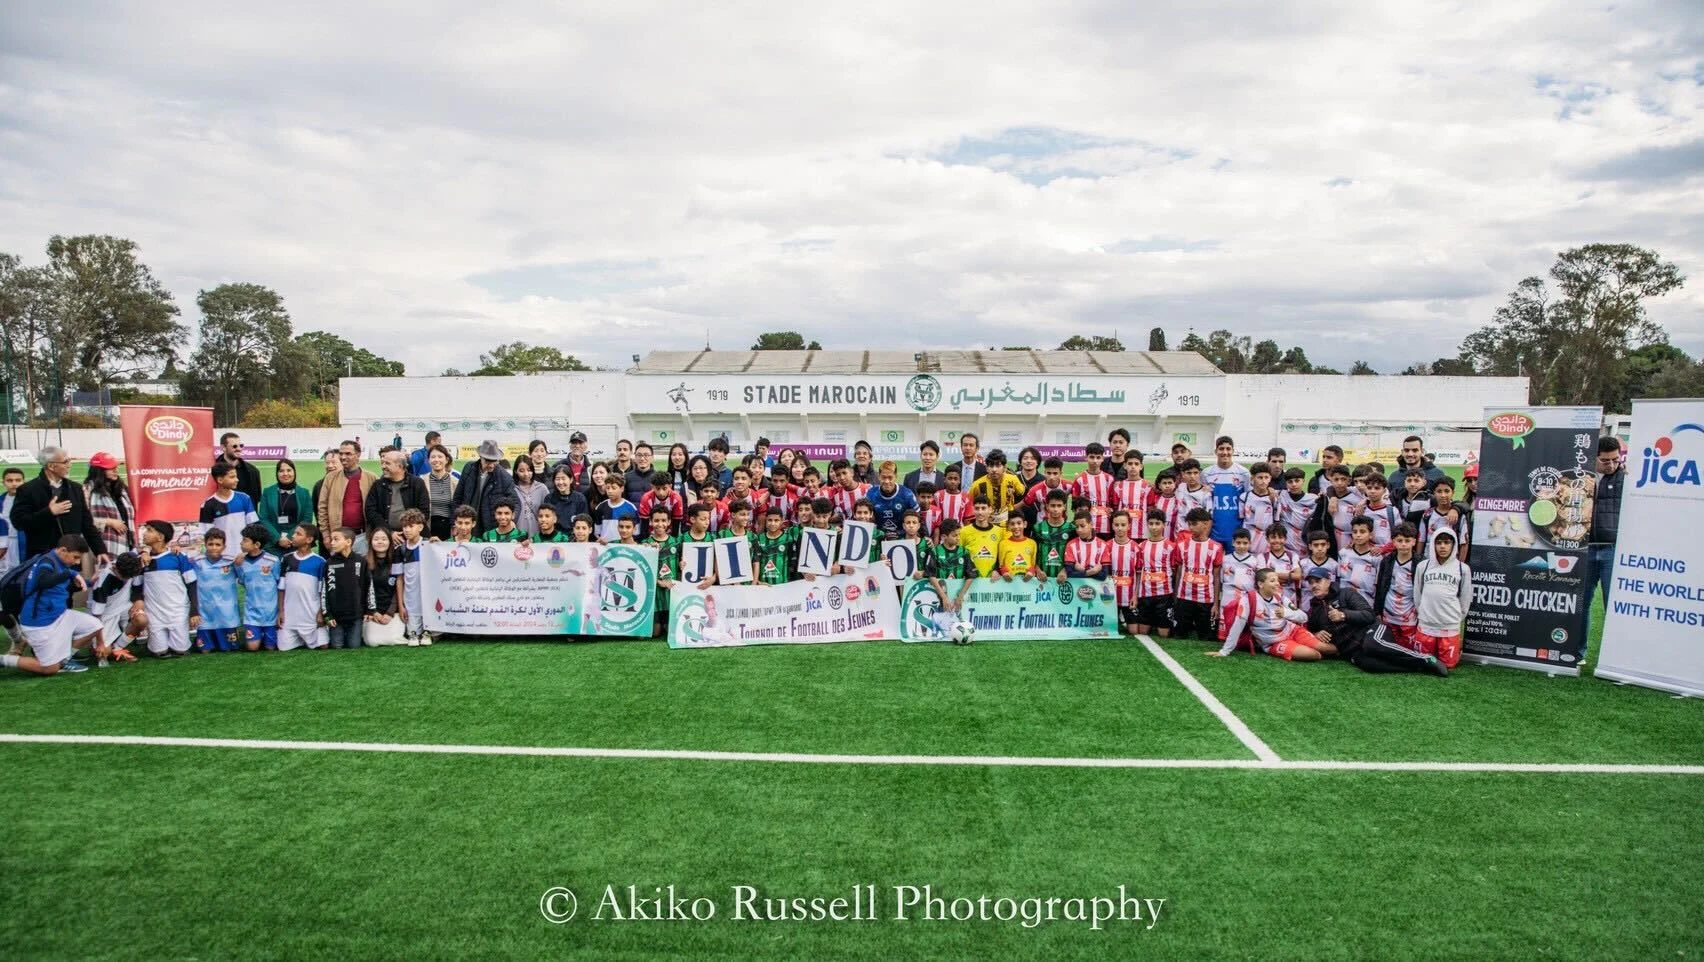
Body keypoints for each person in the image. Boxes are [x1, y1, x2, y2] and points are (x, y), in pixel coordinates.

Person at [0, 535, 103, 675]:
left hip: (59, 616)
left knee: (95, 625)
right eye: (75, 557)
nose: (77, 562)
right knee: (50, 669)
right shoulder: (46, 562)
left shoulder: (61, 563)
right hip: (39, 623)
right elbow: (43, 581)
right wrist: (70, 574)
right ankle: (3, 660)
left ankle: (65, 660)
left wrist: (89, 582)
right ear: (63, 550)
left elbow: (60, 586)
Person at [1213, 568, 1335, 661]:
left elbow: (1303, 616)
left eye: (1277, 580)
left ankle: (1349, 653)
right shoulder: (1248, 600)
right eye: (1272, 581)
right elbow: (1237, 626)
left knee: (1326, 649)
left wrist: (1286, 613)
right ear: (1261, 584)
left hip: (1293, 631)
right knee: (1314, 655)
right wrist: (1224, 651)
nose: (1277, 583)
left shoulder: (1280, 597)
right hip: (1273, 643)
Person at [10, 446, 106, 564]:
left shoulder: (75, 488)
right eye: (65, 462)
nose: (70, 465)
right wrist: (48, 512)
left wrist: (100, 550)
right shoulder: (27, 490)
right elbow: (19, 522)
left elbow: (87, 524)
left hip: (72, 558)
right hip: (43, 560)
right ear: (51, 466)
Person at [138, 519, 199, 657]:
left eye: (149, 530)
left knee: (180, 650)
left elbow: (192, 584)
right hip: (154, 613)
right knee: (160, 652)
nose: (144, 533)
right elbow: (136, 586)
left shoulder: (178, 557)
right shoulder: (141, 560)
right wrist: (143, 552)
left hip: (177, 611)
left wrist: (194, 611)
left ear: (160, 537)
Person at [1413, 528, 1471, 669]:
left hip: (1449, 624)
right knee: (1424, 662)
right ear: (1433, 545)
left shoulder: (1462, 569)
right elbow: (1417, 592)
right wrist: (1422, 612)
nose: (1443, 546)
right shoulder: (1423, 566)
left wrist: (1458, 617)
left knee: (1448, 665)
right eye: (1438, 543)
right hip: (1427, 623)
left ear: (1454, 545)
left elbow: (1465, 596)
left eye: (1446, 542)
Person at [317, 440, 378, 554]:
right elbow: (322, 508)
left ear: (358, 454)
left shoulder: (372, 478)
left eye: (348, 454)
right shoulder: (330, 478)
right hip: (338, 537)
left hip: (363, 536)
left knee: (362, 570)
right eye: (341, 453)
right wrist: (326, 535)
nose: (343, 457)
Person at [1172, 508, 1222, 641]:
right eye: (1189, 524)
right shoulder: (1181, 545)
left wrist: (1216, 604)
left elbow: (1216, 577)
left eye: (1194, 524)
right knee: (1179, 636)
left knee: (1206, 639)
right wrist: (1176, 596)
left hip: (1206, 600)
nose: (1191, 527)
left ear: (1205, 524)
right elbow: (1178, 572)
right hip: (1184, 598)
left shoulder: (1216, 547)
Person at [276, 524, 328, 651]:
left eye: (298, 534)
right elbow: (281, 588)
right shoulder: (287, 559)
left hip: (311, 614)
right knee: (283, 647)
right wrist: (281, 611)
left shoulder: (320, 562)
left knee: (323, 645)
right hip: (290, 615)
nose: (292, 536)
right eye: (294, 533)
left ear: (309, 540)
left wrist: (320, 613)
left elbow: (323, 591)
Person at [87, 550, 147, 661]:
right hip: (105, 615)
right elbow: (96, 618)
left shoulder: (131, 565)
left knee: (142, 620)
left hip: (125, 607)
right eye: (123, 577)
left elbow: (139, 551)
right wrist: (100, 643)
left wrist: (138, 600)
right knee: (104, 652)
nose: (126, 580)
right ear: (116, 568)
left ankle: (117, 648)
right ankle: (97, 646)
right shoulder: (102, 582)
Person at [1588, 435, 1624, 619]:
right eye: (1605, 460)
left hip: (1612, 549)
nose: (1611, 465)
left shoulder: (1625, 478)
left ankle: (1615, 647)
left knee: (1614, 606)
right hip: (1585, 550)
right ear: (1594, 457)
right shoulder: (1582, 475)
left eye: (1616, 460)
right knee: (1580, 606)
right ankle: (1579, 649)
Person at [453, 440, 517, 535]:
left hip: (491, 529)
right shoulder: (468, 469)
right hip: (467, 525)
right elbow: (458, 497)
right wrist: (454, 524)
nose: (491, 465)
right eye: (487, 461)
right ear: (480, 457)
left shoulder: (505, 478)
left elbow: (514, 502)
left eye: (494, 461)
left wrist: (511, 521)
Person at [322, 528, 372, 649]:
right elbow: (324, 591)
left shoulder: (361, 561)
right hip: (335, 618)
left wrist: (369, 610)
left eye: (336, 539)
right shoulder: (329, 563)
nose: (332, 542)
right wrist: (327, 615)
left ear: (348, 542)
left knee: (354, 646)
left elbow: (368, 587)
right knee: (336, 647)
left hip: (356, 616)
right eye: (331, 539)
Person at [201, 463, 259, 563]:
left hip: (244, 556)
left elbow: (253, 528)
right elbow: (206, 535)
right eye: (232, 477)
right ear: (220, 480)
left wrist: (247, 551)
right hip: (221, 559)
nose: (237, 479)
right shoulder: (208, 505)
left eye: (236, 476)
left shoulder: (245, 498)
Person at [236, 524, 281, 651]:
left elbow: (279, 584)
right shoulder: (240, 562)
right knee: (252, 647)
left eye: (245, 540)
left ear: (257, 545)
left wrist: (280, 610)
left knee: (270, 648)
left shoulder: (272, 561)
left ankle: (264, 635)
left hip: (270, 612)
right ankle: (256, 634)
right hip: (251, 612)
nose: (241, 543)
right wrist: (238, 565)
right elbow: (243, 581)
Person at [83, 451, 136, 559]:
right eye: (111, 468)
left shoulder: (122, 489)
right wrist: (109, 522)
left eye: (116, 467)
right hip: (102, 546)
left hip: (128, 542)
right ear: (99, 471)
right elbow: (82, 520)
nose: (116, 470)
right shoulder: (87, 490)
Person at [1203, 436, 1252, 549]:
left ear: (1233, 451)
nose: (1225, 452)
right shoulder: (1206, 473)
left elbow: (1250, 499)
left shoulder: (1243, 473)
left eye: (1228, 449)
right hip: (1214, 530)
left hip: (1236, 531)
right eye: (1221, 449)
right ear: (1216, 451)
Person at [259, 459, 315, 557]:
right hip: (272, 543)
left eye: (289, 470)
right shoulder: (268, 492)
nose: (285, 474)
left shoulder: (304, 493)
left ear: (294, 472)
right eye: (281, 471)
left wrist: (290, 537)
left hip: (297, 544)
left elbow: (306, 519)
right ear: (277, 473)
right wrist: (277, 539)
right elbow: (264, 518)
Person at [363, 528, 407, 647]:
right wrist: (373, 611)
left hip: (393, 610)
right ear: (371, 542)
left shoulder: (396, 561)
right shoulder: (364, 563)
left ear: (390, 542)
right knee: (372, 642)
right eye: (376, 539)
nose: (380, 542)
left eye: (384, 539)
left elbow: (397, 591)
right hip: (373, 611)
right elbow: (363, 591)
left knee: (392, 639)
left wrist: (390, 613)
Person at [394, 509, 430, 645]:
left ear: (420, 527)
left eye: (411, 526)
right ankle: (415, 633)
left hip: (428, 599)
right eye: (404, 527)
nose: (407, 530)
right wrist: (401, 605)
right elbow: (399, 579)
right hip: (410, 600)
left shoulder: (429, 545)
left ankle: (429, 632)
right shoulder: (400, 550)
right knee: (412, 635)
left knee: (432, 631)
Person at [968, 449, 1027, 525]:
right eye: (991, 466)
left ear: (1004, 467)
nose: (994, 470)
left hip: (1007, 526)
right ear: (986, 468)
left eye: (998, 466)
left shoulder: (1013, 479)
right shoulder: (977, 485)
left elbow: (1022, 493)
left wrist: (1013, 509)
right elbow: (968, 504)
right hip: (986, 526)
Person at [866, 461, 919, 541]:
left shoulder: (907, 494)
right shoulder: (871, 494)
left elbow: (918, 518)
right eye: (883, 477)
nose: (887, 481)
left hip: (902, 538)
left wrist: (925, 536)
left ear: (896, 477)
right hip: (879, 538)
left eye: (890, 477)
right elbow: (865, 519)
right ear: (879, 477)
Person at [215, 432, 264, 505]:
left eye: (241, 445)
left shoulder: (252, 471)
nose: (239, 449)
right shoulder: (211, 470)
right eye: (234, 446)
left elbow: (255, 499)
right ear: (223, 447)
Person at [508, 455, 547, 538]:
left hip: (538, 536)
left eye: (529, 470)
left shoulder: (542, 488)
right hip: (516, 536)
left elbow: (548, 512)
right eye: (521, 471)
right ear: (515, 471)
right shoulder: (511, 489)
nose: (526, 474)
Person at [0, 466, 24, 575]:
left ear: (24, 482)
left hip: (22, 542)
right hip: (3, 543)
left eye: (18, 480)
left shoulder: (29, 501)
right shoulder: (1, 500)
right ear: (3, 482)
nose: (14, 483)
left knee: (21, 572)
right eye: (9, 480)